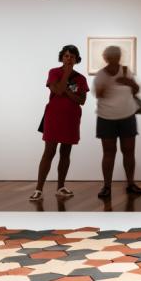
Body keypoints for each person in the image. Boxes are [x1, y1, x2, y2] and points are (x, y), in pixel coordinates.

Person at [32, 44, 88, 201]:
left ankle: (60, 187)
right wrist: (66, 75)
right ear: (62, 57)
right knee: (49, 152)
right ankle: (39, 189)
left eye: (72, 56)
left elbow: (82, 100)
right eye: (66, 55)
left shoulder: (81, 78)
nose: (69, 58)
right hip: (53, 117)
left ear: (77, 59)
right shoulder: (54, 72)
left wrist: (67, 91)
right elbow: (56, 91)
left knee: (66, 153)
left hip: (71, 118)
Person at [94, 45, 141, 199]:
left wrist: (129, 82)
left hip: (127, 116)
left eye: (116, 55)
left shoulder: (125, 71)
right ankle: (107, 187)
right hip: (106, 118)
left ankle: (131, 184)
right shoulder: (101, 75)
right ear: (106, 58)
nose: (113, 58)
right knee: (109, 153)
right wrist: (106, 85)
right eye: (111, 56)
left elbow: (136, 89)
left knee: (129, 152)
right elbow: (98, 94)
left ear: (119, 57)